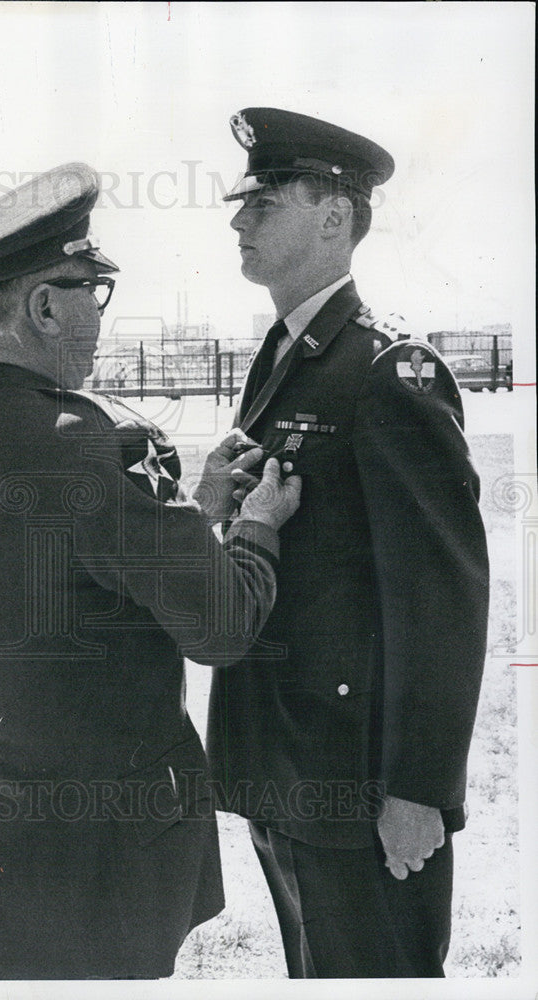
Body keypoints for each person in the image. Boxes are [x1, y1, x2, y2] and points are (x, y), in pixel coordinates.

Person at [0, 163, 302, 980]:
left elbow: (75, 572)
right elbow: (222, 629)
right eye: (93, 288)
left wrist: (194, 510)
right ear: (44, 306)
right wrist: (256, 528)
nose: (97, 312)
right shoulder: (72, 436)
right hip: (88, 868)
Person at [205, 107, 489, 978]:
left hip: (359, 782)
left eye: (263, 202)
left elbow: (442, 596)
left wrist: (418, 790)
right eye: (239, 204)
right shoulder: (286, 353)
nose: (237, 221)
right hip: (286, 765)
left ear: (334, 215)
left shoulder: (384, 370)